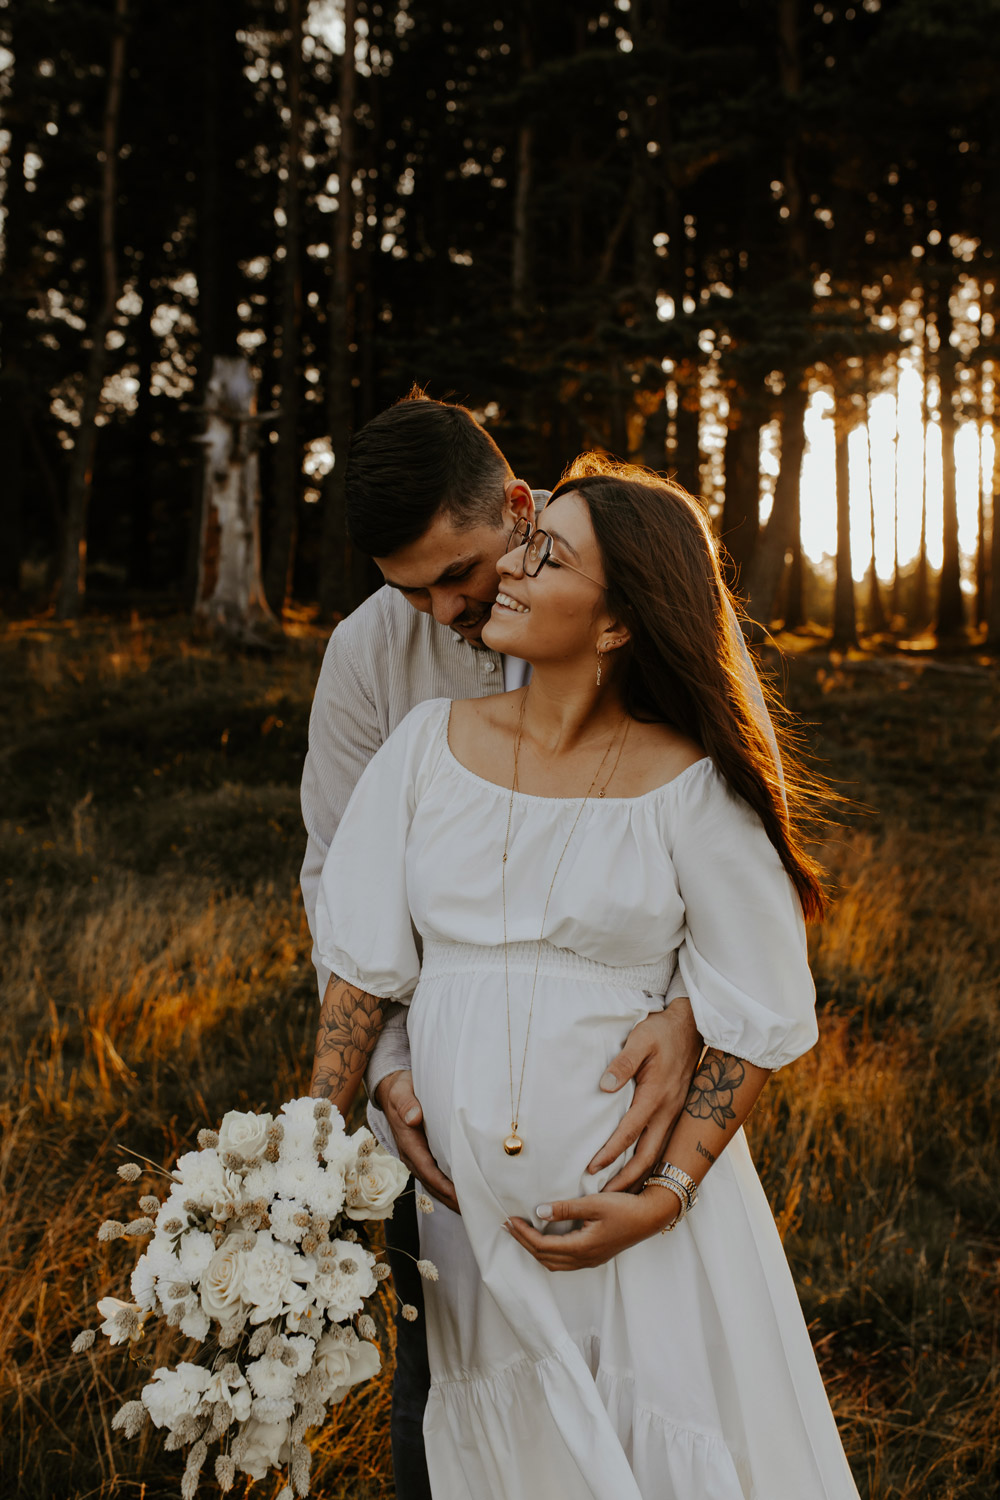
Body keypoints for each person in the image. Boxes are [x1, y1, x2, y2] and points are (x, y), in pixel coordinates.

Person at [308, 462, 860, 1499]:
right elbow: (359, 973)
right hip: (469, 1227)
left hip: (634, 1232)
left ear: (615, 628)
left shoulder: (690, 786)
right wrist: (296, 1172)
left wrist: (664, 1197)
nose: (510, 573)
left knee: (654, 1453)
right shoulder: (425, 748)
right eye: (525, 544)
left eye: (545, 556)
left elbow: (760, 1009)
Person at [300, 394, 715, 1497]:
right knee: (445, 1379)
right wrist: (383, 1077)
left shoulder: (621, 599)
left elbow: (724, 844)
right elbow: (338, 882)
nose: (444, 608)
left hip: (623, 1113)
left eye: (460, 573)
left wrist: (690, 1012)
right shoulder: (370, 664)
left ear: (518, 509)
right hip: (437, 1106)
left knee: (642, 1378)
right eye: (410, 590)